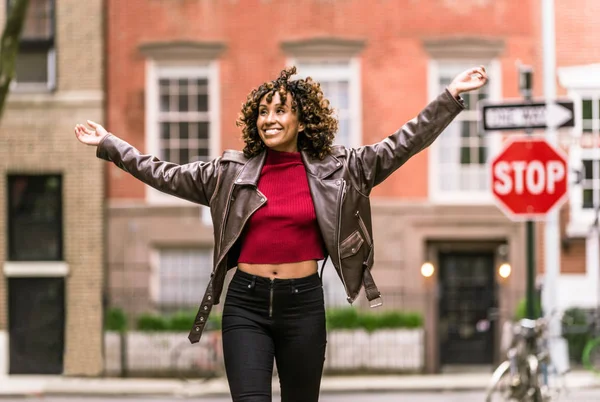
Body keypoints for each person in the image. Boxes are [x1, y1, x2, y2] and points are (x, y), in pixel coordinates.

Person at [75, 65, 487, 401]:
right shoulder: (228, 174)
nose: (269, 119)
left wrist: (449, 97)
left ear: (302, 120)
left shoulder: (341, 168)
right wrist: (111, 144)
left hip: (303, 306)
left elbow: (402, 143)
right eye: (263, 112)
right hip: (245, 306)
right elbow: (162, 173)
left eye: (280, 110)